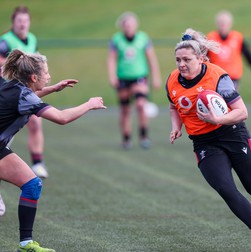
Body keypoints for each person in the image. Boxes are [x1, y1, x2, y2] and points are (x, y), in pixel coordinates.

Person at [167, 28, 251, 252]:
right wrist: (177, 127)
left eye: (186, 60)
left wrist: (219, 118)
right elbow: (174, 105)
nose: (181, 64)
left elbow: (242, 112)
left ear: (201, 58)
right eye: (178, 60)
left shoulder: (218, 77)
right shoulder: (173, 80)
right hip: (204, 143)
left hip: (232, 134)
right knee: (226, 189)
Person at [0, 49, 106, 251]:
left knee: (29, 187)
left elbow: (30, 96)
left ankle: (26, 244)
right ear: (33, 77)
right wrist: (89, 104)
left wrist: (53, 88)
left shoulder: (13, 87)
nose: (49, 76)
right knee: (31, 186)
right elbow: (62, 118)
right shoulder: (24, 95)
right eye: (46, 74)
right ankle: (26, 244)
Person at [0, 6, 49, 178]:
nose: (22, 24)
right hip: (10, 92)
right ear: (13, 23)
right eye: (19, 21)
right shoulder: (5, 41)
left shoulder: (32, 39)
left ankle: (37, 162)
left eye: (25, 20)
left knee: (36, 121)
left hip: (26, 91)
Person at [107, 11, 162, 150]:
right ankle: (126, 139)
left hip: (139, 77)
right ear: (122, 26)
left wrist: (156, 76)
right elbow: (112, 59)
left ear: (136, 25)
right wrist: (112, 76)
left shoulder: (143, 38)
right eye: (126, 25)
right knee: (125, 109)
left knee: (141, 105)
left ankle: (144, 136)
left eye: (131, 25)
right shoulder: (116, 39)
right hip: (123, 78)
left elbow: (151, 59)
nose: (129, 27)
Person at [207, 10, 251, 90]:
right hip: (215, 76)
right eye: (221, 23)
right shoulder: (211, 38)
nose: (223, 26)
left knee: (230, 99)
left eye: (225, 23)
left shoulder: (237, 38)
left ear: (230, 24)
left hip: (232, 77)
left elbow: (248, 55)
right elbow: (204, 57)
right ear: (217, 24)